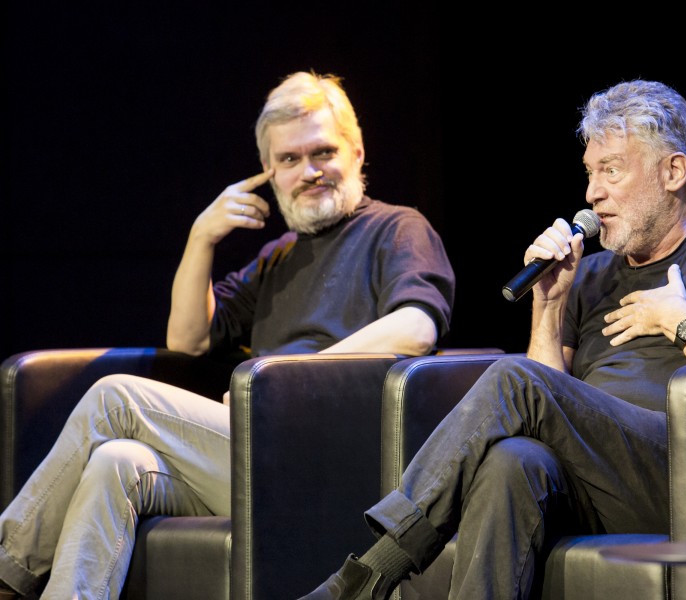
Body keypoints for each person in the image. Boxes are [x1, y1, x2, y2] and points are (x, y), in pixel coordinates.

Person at [298, 79, 686, 600]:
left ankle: (368, 576)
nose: (592, 192)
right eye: (590, 172)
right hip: (598, 482)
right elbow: (540, 407)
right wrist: (548, 303)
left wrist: (682, 322)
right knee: (512, 461)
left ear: (673, 172)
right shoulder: (589, 275)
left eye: (611, 170)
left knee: (515, 378)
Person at [0, 70, 455, 599]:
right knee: (114, 462)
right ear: (269, 172)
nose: (309, 171)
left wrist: (282, 383)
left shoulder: (398, 228)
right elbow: (188, 340)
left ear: (357, 152)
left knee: (114, 398)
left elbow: (417, 326)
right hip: (257, 452)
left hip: (332, 458)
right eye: (289, 159)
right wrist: (202, 237)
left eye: (323, 153)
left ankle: (6, 568)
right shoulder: (278, 258)